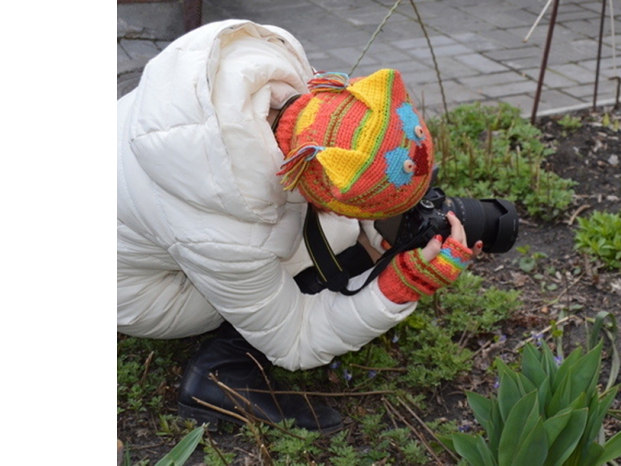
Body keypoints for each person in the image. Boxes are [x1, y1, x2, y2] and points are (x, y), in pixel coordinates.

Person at [117, 19, 481, 432]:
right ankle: (221, 376)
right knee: (342, 249)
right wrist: (399, 284)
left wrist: (361, 223)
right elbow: (297, 338)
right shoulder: (225, 232)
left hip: (136, 216)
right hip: (135, 292)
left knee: (336, 235)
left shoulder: (263, 70)